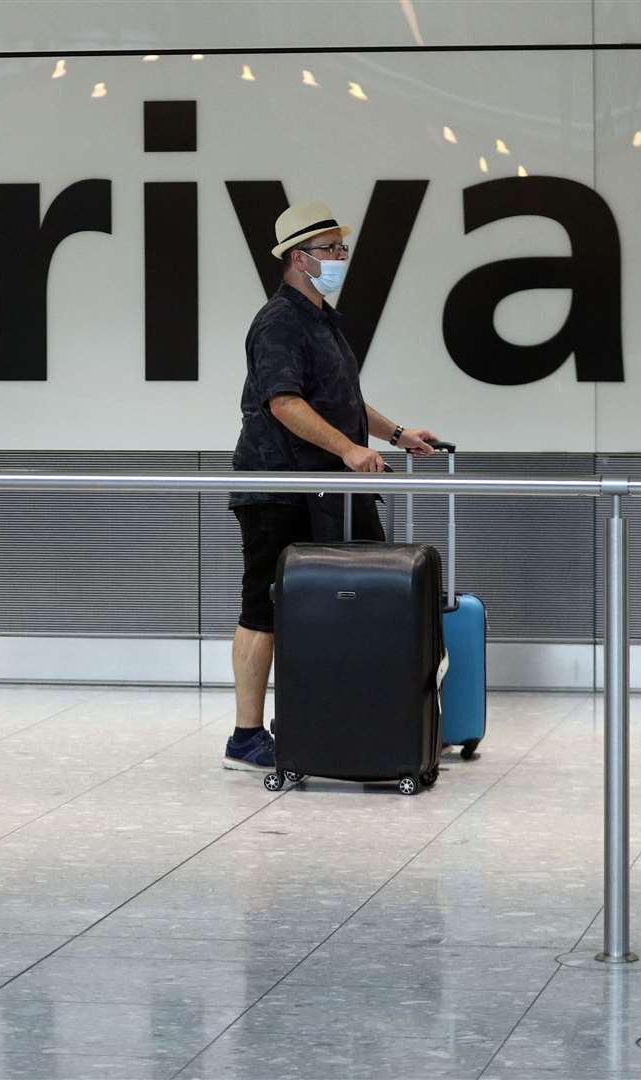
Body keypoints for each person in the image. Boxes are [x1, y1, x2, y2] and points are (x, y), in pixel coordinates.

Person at [225, 200, 439, 771]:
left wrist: (395, 433)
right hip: (278, 487)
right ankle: (246, 738)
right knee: (264, 609)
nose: (342, 257)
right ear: (300, 258)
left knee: (366, 596)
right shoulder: (278, 321)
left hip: (327, 486)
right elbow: (284, 402)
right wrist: (347, 450)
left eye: (342, 248)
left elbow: (339, 400)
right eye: (331, 249)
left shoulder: (324, 320)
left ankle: (366, 716)